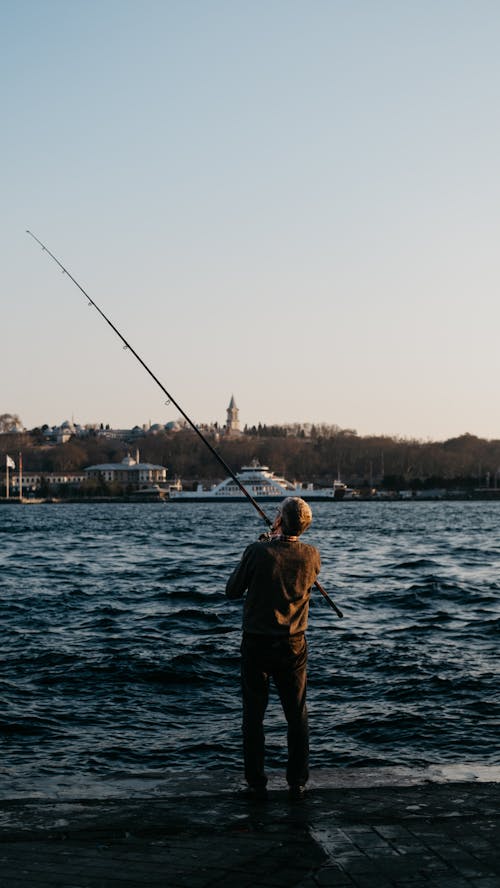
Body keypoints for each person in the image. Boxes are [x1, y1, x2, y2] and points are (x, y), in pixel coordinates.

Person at [225, 496, 321, 799]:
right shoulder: (312, 555)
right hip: (294, 644)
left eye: (278, 513)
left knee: (254, 715)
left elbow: (232, 590)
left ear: (279, 520)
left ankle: (256, 781)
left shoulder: (257, 552)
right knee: (297, 714)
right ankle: (298, 781)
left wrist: (263, 545)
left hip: (256, 642)